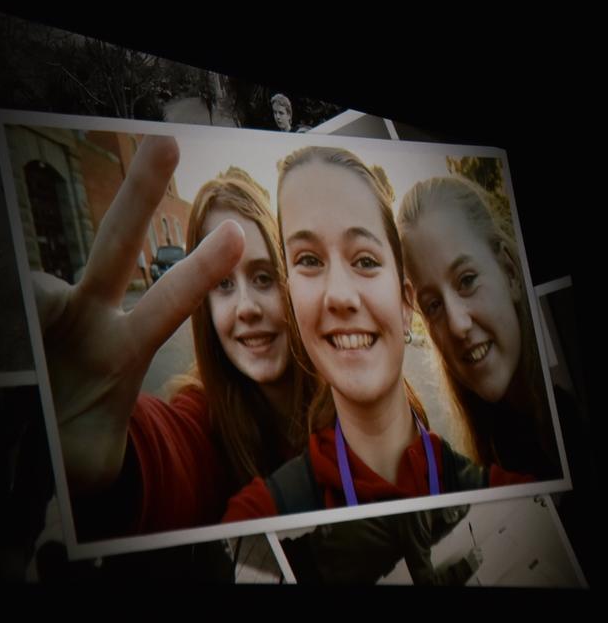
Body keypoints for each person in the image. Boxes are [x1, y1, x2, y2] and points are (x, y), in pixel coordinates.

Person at [222, 146, 533, 529]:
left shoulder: (520, 504)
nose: (339, 295)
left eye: (365, 261)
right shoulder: (259, 520)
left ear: (405, 303)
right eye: (309, 260)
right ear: (291, 299)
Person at [30, 136, 312, 557]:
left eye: (263, 277)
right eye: (222, 284)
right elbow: (168, 456)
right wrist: (122, 469)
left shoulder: (344, 393)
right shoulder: (203, 417)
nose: (246, 308)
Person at [397, 175, 562, 478]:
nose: (457, 325)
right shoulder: (496, 449)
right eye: (433, 305)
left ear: (510, 272)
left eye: (467, 280)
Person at [279, 504, 482, 585]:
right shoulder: (419, 516)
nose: (456, 511)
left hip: (319, 552)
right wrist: (465, 568)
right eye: (458, 503)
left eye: (461, 511)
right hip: (322, 568)